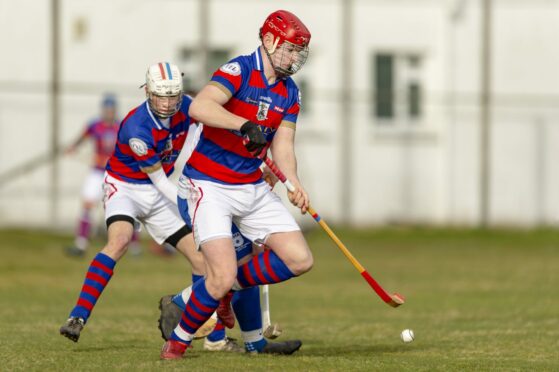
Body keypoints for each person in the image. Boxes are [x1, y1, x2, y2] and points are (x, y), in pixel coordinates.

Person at [160, 10, 314, 359]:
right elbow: (200, 106)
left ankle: (224, 301)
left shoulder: (290, 92)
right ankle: (178, 342)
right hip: (208, 186)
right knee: (222, 273)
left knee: (299, 258)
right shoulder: (239, 69)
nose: (294, 58)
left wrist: (294, 182)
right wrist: (243, 125)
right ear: (270, 40)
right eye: (289, 50)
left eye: (298, 52)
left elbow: (284, 146)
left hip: (251, 187)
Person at [59, 62, 206, 343]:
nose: (167, 103)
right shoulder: (136, 126)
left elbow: (214, 117)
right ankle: (78, 316)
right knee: (120, 241)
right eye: (160, 95)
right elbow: (161, 181)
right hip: (126, 187)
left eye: (173, 95)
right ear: (148, 92)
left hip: (158, 189)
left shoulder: (188, 106)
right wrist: (191, 205)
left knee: (202, 259)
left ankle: (201, 327)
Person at [65, 94, 140, 257]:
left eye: (111, 110)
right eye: (106, 110)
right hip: (97, 172)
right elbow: (81, 138)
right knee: (87, 204)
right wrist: (73, 147)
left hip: (116, 173)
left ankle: (134, 245)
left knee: (128, 207)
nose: (109, 113)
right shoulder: (94, 126)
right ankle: (81, 243)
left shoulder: (122, 126)